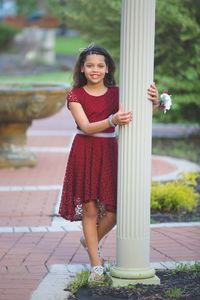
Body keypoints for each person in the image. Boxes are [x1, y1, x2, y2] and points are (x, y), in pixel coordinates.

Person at [59, 44, 159, 282]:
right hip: (85, 150)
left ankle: (89, 239)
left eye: (100, 65)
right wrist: (112, 119)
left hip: (110, 151)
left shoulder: (118, 94)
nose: (95, 70)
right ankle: (96, 265)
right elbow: (86, 127)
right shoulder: (75, 95)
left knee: (115, 211)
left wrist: (153, 103)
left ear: (107, 69)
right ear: (82, 68)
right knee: (91, 209)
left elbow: (137, 118)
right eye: (90, 65)